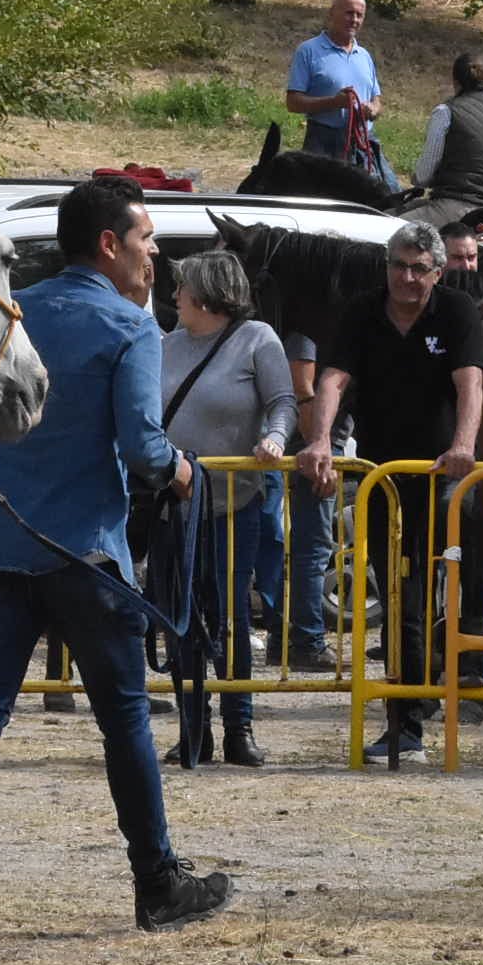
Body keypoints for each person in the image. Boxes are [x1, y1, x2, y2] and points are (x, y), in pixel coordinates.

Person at [0, 177, 229, 948]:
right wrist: (186, 471)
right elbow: (144, 452)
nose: (157, 255)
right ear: (110, 246)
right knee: (124, 726)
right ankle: (157, 883)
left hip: (4, 548)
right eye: (147, 240)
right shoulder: (128, 328)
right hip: (85, 554)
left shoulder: (17, 309)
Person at [299, 220, 483, 765]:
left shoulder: (456, 312)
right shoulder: (361, 311)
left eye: (419, 269)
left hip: (442, 475)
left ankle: (452, 689)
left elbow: (470, 383)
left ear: (437, 271)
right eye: (399, 267)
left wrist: (463, 447)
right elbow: (331, 380)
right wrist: (319, 442)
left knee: (441, 589)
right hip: (383, 477)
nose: (407, 278)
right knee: (401, 594)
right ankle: (406, 720)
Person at [156, 248, 297, 770]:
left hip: (234, 503)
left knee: (231, 617)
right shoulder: (166, 345)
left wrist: (275, 439)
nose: (174, 297)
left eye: (183, 288)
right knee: (181, 617)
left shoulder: (257, 339)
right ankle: (193, 727)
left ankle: (239, 726)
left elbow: (282, 401)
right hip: (177, 506)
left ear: (209, 296)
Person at [284, 0, 390, 186]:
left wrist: (373, 110)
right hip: (323, 141)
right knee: (320, 199)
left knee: (387, 195)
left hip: (363, 143)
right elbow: (293, 103)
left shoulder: (364, 55)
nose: (355, 20)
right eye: (349, 13)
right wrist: (334, 102)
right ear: (331, 13)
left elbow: (377, 100)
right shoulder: (308, 51)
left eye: (360, 15)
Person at [410, 52, 483, 223]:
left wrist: (417, 181)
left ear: (455, 81)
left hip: (453, 210)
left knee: (392, 232)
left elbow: (423, 175)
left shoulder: (446, 112)